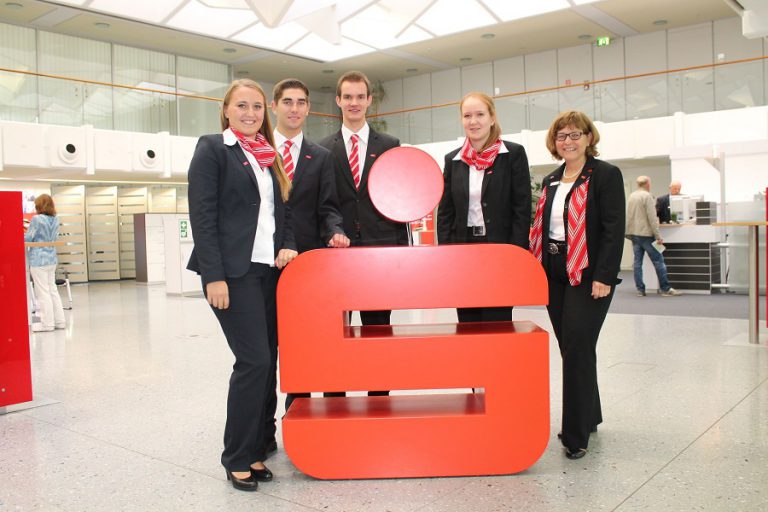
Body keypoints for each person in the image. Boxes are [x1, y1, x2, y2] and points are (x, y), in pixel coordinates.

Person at [186, 78, 297, 492]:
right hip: (234, 274)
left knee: (266, 363)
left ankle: (253, 450)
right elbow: (202, 215)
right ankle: (235, 457)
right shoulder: (213, 148)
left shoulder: (267, 154)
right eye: (242, 106)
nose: (250, 113)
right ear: (226, 110)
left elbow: (281, 212)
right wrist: (213, 275)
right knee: (253, 363)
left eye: (256, 107)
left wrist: (286, 244)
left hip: (268, 272)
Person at [529, 111, 625, 460]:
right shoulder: (552, 179)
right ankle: (590, 414)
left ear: (588, 138)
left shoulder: (605, 175)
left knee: (577, 347)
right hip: (554, 269)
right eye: (561, 136)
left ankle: (575, 434)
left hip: (587, 272)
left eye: (574, 134)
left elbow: (614, 228)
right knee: (571, 347)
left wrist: (604, 275)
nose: (567, 141)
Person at [265, 78, 350, 435]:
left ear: (309, 108)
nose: (294, 108)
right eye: (288, 101)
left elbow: (328, 206)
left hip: (308, 265)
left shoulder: (321, 156)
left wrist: (335, 231)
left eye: (301, 102)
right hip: (266, 262)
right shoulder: (259, 150)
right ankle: (274, 423)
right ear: (274, 106)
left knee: (313, 339)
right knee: (271, 348)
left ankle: (326, 416)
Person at [318, 70, 406, 397]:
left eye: (359, 96)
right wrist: (332, 231)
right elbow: (323, 202)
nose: (353, 103)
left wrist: (401, 256)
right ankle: (335, 400)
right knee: (335, 332)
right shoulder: (323, 149)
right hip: (337, 254)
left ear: (370, 100)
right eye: (347, 97)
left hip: (379, 254)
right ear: (338, 101)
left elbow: (398, 199)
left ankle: (379, 399)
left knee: (378, 331)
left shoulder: (390, 146)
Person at [436, 92, 531, 322]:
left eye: (480, 114)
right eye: (467, 116)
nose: (473, 121)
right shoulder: (453, 160)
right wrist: (446, 253)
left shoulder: (513, 154)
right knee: (467, 318)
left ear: (492, 118)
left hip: (500, 249)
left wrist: (516, 253)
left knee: (497, 317)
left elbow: (521, 208)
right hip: (463, 249)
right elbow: (446, 213)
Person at [626, 176, 682, 297]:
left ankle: (640, 290)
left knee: (637, 263)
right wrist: (658, 236)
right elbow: (652, 218)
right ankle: (665, 288)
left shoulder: (631, 196)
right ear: (648, 184)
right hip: (646, 234)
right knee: (658, 261)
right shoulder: (647, 196)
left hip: (634, 234)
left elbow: (629, 216)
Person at [24, 194, 66, 333]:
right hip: (51, 259)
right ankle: (60, 321)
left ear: (39, 205)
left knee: (42, 292)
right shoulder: (55, 219)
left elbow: (29, 237)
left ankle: (47, 324)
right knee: (52, 290)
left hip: (38, 259)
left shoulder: (37, 219)